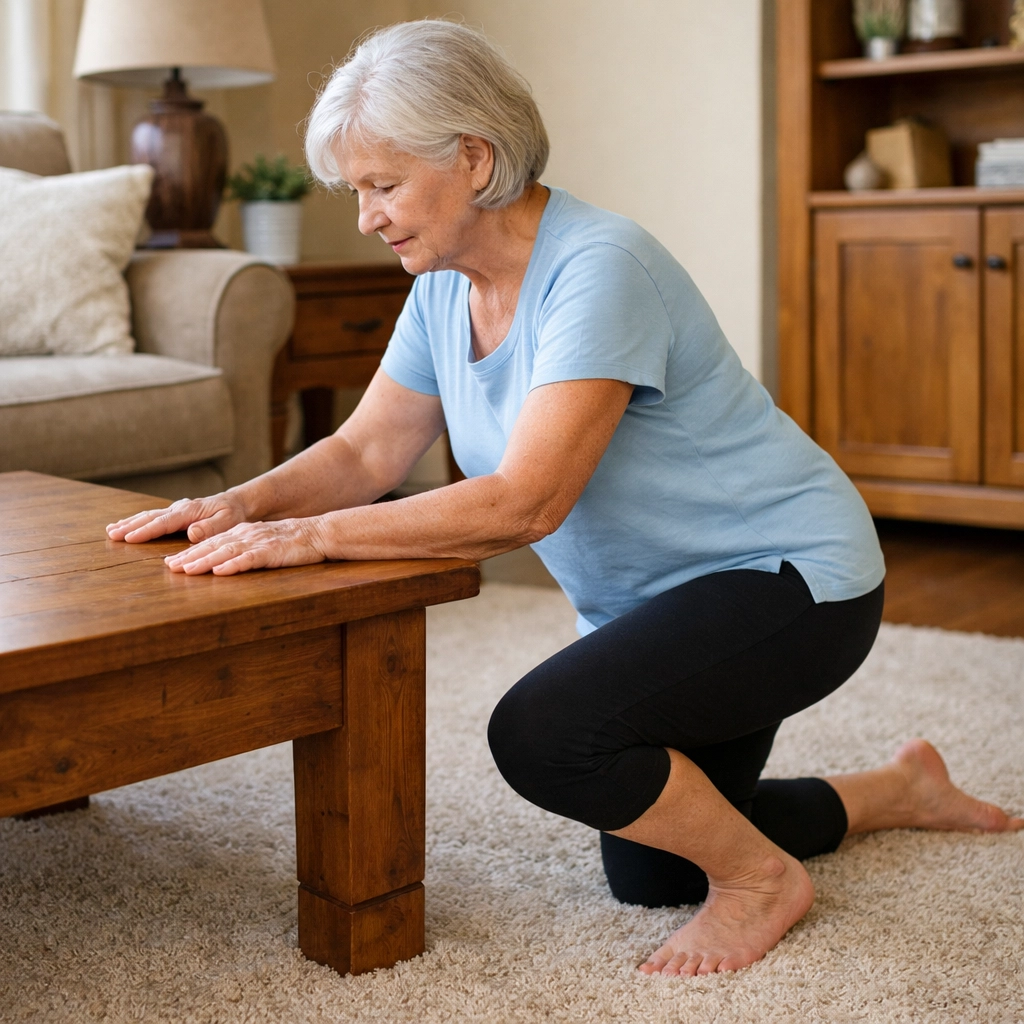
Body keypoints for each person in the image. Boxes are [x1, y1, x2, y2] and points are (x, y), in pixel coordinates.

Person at [107, 20, 1023, 977]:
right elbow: (366, 447)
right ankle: (896, 789)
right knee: (652, 871)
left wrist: (315, 539)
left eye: (383, 186)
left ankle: (761, 880)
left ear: (473, 156)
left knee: (546, 734)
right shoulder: (440, 288)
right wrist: (238, 508)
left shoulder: (599, 267)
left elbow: (524, 505)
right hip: (664, 603)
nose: (368, 217)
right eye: (358, 193)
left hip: (792, 581)